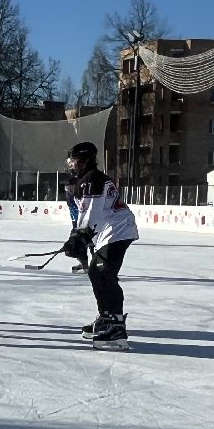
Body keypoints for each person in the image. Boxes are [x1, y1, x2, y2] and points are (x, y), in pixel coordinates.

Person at [64, 141, 138, 351]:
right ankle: (106, 317)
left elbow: (92, 213)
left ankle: (116, 326)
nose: (72, 165)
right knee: (96, 274)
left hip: (118, 229)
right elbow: (84, 216)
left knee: (104, 273)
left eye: (75, 160)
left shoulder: (92, 179)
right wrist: (76, 237)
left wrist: (81, 236)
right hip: (107, 232)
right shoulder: (85, 180)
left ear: (85, 160)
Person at [63, 175, 89, 272]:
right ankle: (83, 263)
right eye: (67, 188)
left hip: (87, 222)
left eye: (71, 187)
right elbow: (73, 210)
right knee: (75, 243)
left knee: (88, 243)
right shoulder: (69, 196)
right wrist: (75, 225)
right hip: (77, 222)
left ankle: (94, 266)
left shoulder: (83, 194)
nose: (69, 190)